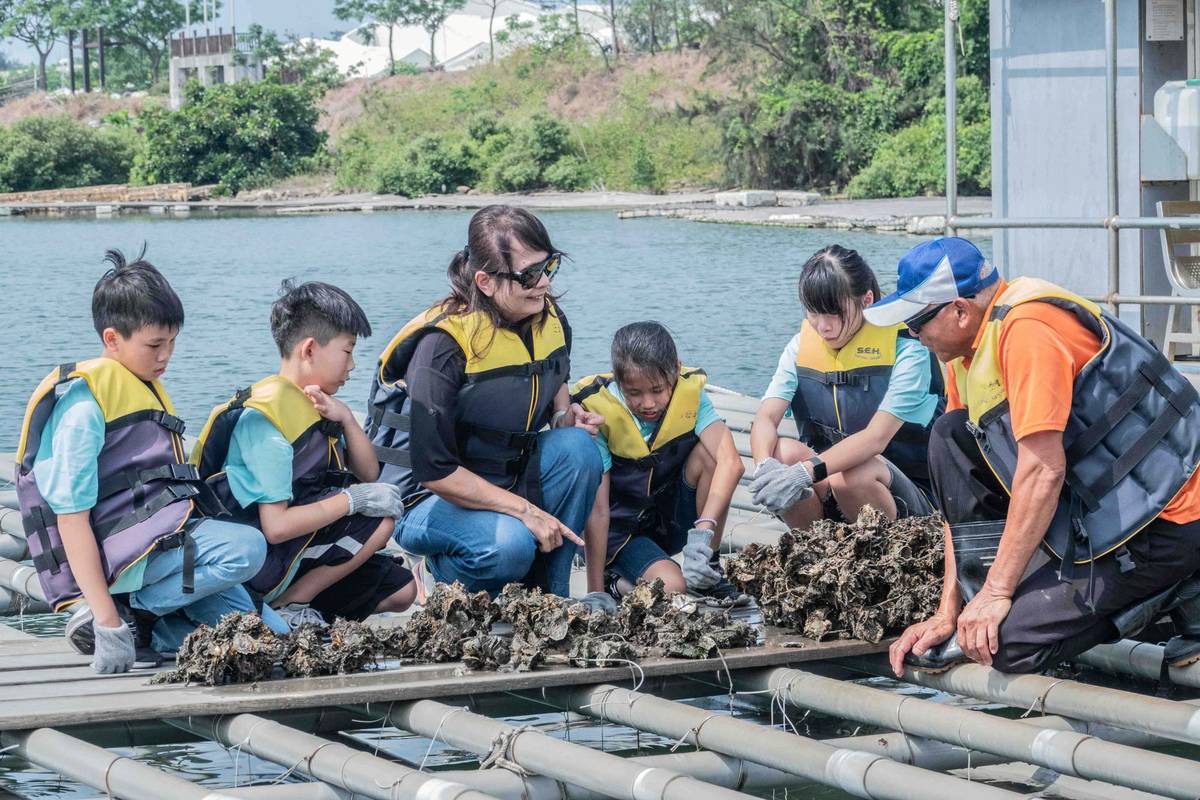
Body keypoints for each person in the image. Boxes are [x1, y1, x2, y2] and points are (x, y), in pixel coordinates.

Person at [872, 237, 1200, 675]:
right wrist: (949, 610)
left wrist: (999, 591)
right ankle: (983, 607)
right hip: (1105, 515)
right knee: (948, 435)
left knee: (1006, 647)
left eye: (917, 323)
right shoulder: (964, 353)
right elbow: (957, 503)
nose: (914, 336)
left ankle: (1181, 586)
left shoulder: (1028, 329)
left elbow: (1043, 470)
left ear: (959, 310)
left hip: (1168, 522)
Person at [13, 248, 269, 674]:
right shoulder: (84, 407)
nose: (166, 355)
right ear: (112, 339)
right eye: (154, 345)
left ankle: (153, 629)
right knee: (247, 548)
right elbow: (70, 519)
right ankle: (131, 615)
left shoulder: (140, 385)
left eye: (172, 342)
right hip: (122, 564)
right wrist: (108, 622)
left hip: (160, 552)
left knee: (264, 635)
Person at [369, 205, 603, 598]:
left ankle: (551, 595)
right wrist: (527, 511)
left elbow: (556, 379)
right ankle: (439, 573)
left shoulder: (550, 319)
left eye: (550, 266)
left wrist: (566, 416)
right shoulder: (442, 347)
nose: (544, 282)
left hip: (507, 475)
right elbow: (435, 471)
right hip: (426, 497)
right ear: (486, 281)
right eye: (529, 274)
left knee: (579, 449)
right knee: (509, 545)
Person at [194, 281, 415, 629]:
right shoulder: (267, 422)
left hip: (299, 547)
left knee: (403, 591)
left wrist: (345, 418)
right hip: (262, 560)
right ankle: (289, 604)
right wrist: (352, 501)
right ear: (310, 349)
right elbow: (276, 527)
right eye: (347, 351)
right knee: (382, 518)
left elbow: (369, 473)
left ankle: (303, 605)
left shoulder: (315, 405)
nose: (353, 365)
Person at [748, 245, 942, 528]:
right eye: (813, 312)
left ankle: (880, 550)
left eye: (834, 313)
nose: (822, 326)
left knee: (851, 474)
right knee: (781, 455)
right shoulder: (799, 347)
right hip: (829, 481)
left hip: (910, 498)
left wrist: (804, 473)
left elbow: (876, 438)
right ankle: (815, 544)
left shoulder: (909, 349)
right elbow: (766, 416)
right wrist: (764, 467)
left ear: (867, 300)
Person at [572, 322, 745, 610]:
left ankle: (709, 570)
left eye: (657, 390)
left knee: (710, 455)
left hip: (667, 520)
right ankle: (614, 584)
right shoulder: (597, 417)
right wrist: (595, 591)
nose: (648, 403)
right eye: (634, 393)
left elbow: (731, 463)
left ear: (676, 370)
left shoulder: (691, 396)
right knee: (673, 587)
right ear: (619, 381)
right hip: (620, 534)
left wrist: (704, 532)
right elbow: (598, 510)